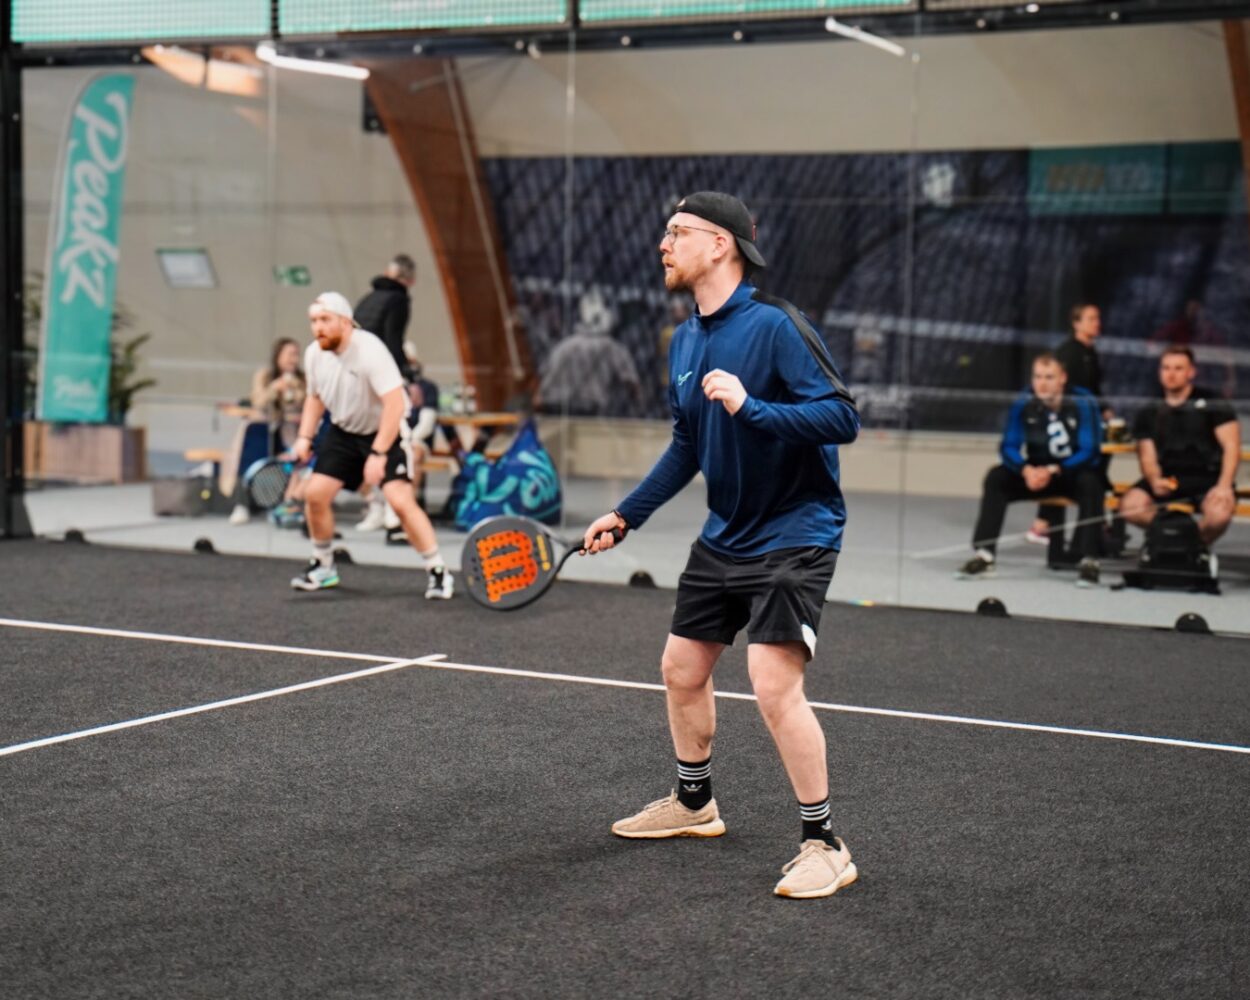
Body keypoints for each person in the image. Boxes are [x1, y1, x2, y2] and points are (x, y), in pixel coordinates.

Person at [581, 191, 862, 899]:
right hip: (726, 533)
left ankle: (825, 843)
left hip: (796, 531)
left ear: (722, 244)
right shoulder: (686, 340)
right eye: (666, 232)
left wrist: (753, 407)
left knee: (773, 685)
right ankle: (694, 804)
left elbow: (840, 417)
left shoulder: (776, 326)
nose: (663, 244)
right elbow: (688, 445)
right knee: (681, 668)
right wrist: (626, 515)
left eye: (678, 232)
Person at [288, 292, 453, 599]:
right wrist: (304, 438)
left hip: (384, 429)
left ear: (345, 322)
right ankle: (323, 567)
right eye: (313, 321)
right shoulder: (314, 354)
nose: (318, 327)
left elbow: (394, 405)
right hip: (343, 431)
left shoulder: (370, 351)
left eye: (325, 320)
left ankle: (438, 571)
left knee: (401, 502)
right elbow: (315, 397)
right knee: (314, 496)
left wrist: (378, 453)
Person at [956, 352, 1105, 587]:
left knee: (1092, 483)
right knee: (997, 478)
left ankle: (1089, 560)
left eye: (1049, 376)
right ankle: (984, 555)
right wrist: (1025, 470)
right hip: (1035, 474)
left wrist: (1055, 470)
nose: (1042, 383)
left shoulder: (1083, 402)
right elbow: (1009, 445)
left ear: (1062, 378)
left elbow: (1090, 450)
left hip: (1070, 474)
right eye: (1037, 377)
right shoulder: (1024, 401)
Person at [1118, 345, 1240, 552]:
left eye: (1178, 368)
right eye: (1166, 368)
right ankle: (1172, 543)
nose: (1171, 374)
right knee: (1130, 507)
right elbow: (1147, 456)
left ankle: (1188, 550)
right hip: (1168, 478)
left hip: (1207, 478)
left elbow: (1231, 446)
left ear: (1191, 372)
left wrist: (1224, 485)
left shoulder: (1213, 403)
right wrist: (1155, 479)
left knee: (1219, 516)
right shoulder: (1149, 410)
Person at [228, 337, 306, 525]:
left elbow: (306, 406)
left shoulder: (302, 379)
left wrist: (295, 390)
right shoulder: (265, 376)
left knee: (293, 455)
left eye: (296, 355)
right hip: (264, 426)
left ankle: (286, 501)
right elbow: (258, 402)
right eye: (289, 355)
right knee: (254, 442)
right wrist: (274, 388)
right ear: (278, 356)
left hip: (289, 430)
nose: (293, 360)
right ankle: (242, 503)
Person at [354, 253, 416, 382]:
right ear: (410, 280)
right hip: (376, 366)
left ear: (386, 273)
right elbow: (393, 339)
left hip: (356, 362)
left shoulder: (368, 298)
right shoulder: (398, 300)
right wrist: (404, 373)